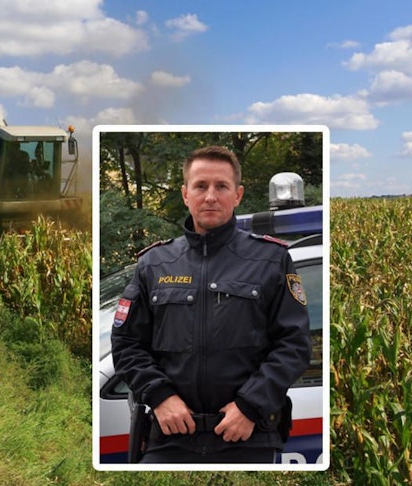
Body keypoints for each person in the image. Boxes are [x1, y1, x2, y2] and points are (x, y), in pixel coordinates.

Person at [110, 145, 311, 464]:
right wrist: (160, 397)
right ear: (185, 194)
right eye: (200, 186)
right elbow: (126, 343)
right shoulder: (155, 264)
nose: (210, 196)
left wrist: (250, 405)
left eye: (221, 186)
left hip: (247, 435)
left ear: (238, 194)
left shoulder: (271, 260)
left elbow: (295, 344)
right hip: (171, 438)